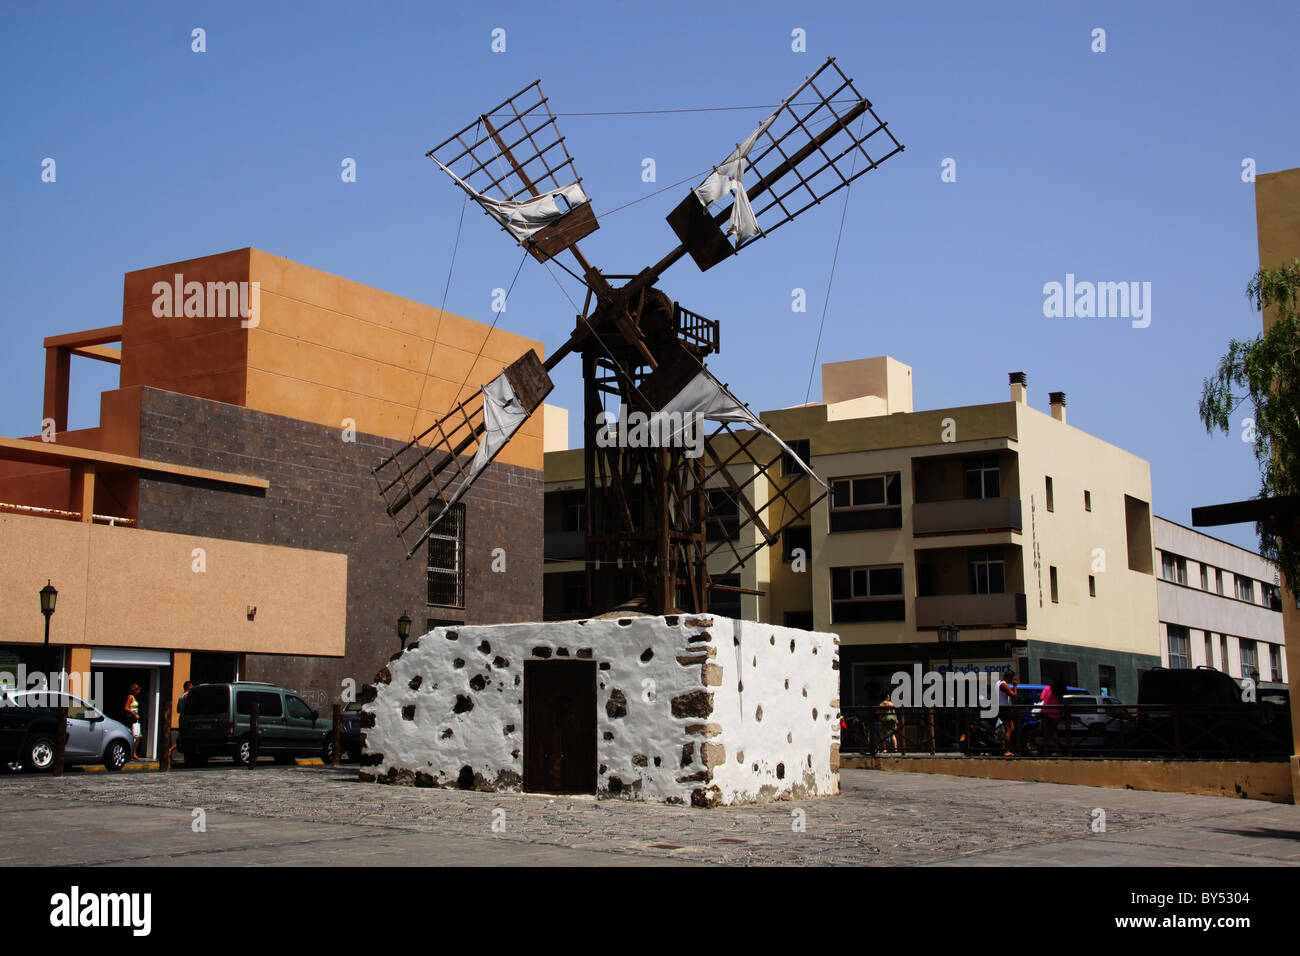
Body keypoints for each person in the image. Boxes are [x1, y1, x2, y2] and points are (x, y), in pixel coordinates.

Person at [1038, 678, 1066, 756]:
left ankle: (1046, 751)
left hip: (1046, 712)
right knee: (1054, 732)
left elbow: (1041, 698)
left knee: (1046, 733)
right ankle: (1057, 750)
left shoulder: (1047, 688)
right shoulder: (1059, 691)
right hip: (1055, 713)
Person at [997, 670, 1018, 756]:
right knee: (1008, 729)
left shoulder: (999, 683)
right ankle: (1006, 750)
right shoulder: (1003, 685)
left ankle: (1004, 746)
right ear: (1009, 677)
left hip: (1003, 709)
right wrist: (1015, 686)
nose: (1012, 680)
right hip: (1004, 710)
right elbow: (1014, 695)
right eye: (1011, 678)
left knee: (1011, 728)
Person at [124, 683, 143, 758]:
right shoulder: (130, 697)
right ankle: (132, 753)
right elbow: (126, 707)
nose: (139, 692)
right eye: (138, 690)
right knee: (137, 735)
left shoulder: (134, 697)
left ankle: (133, 753)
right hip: (131, 718)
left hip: (134, 718)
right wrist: (134, 714)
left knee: (137, 736)